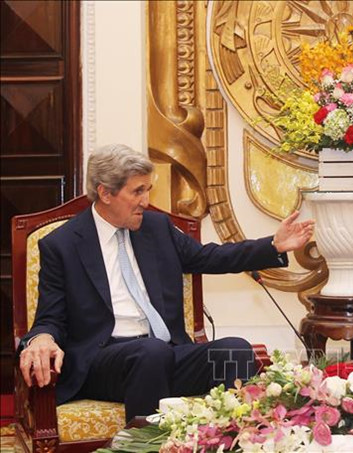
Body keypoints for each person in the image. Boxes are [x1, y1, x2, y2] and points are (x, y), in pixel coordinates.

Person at [18, 143, 315, 421]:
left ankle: (230, 441)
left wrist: (273, 246)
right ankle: (145, 445)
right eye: (137, 192)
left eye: (147, 190)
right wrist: (42, 338)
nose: (146, 202)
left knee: (234, 351)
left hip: (166, 352)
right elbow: (50, 317)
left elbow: (210, 257)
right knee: (150, 352)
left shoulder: (156, 228)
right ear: (105, 193)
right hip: (103, 363)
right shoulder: (63, 244)